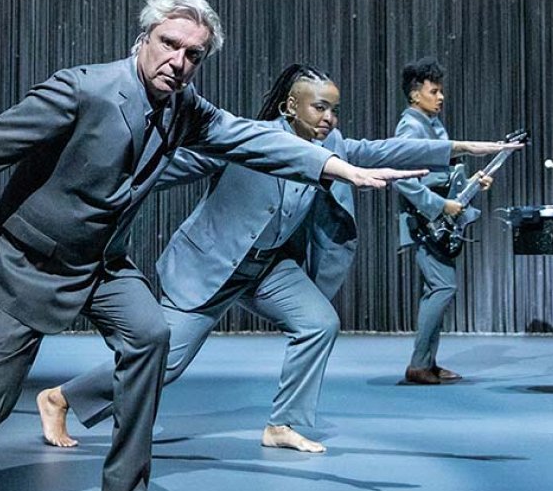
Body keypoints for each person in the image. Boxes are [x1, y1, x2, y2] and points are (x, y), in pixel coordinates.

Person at [0, 0, 428, 491]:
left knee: (150, 334)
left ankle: (122, 487)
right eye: (169, 44)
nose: (178, 61)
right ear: (144, 40)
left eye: (193, 54)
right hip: (26, 264)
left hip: (99, 263)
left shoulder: (184, 106)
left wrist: (334, 166)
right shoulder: (83, 87)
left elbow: (250, 137)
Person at [37, 64, 517, 454]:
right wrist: (95, 182)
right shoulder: (245, 137)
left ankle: (284, 424)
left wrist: (455, 148)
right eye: (320, 107)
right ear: (292, 106)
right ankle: (61, 397)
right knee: (167, 361)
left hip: (268, 268)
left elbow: (378, 149)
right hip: (213, 267)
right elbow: (170, 164)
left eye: (334, 108)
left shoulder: (331, 146)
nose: (329, 117)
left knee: (318, 323)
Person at [392, 57, 492, 385]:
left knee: (437, 288)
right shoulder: (411, 126)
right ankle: (419, 364)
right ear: (414, 95)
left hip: (435, 222)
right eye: (434, 91)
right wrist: (438, 206)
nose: (441, 97)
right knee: (442, 286)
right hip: (424, 222)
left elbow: (442, 175)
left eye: (441, 91)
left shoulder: (432, 125)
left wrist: (472, 182)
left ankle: (428, 362)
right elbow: (404, 179)